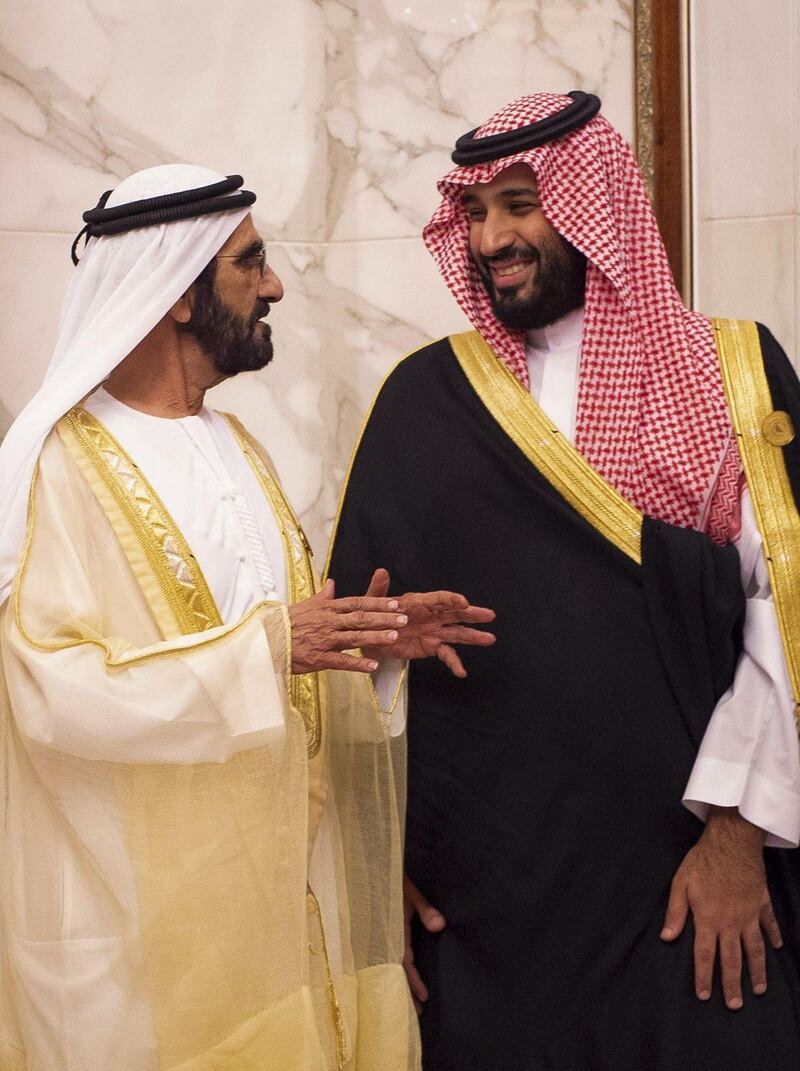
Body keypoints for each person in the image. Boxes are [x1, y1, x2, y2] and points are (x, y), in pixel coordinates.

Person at [327, 92, 800, 1069]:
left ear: (593, 204)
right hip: (486, 895)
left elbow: (779, 619)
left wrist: (738, 836)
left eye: (518, 204)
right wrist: (376, 869)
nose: (492, 236)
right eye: (474, 211)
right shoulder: (425, 400)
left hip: (686, 879)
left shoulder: (730, 372)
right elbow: (354, 646)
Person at [0, 164, 496, 1071]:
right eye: (250, 263)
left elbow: (287, 674)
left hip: (274, 915)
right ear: (179, 292)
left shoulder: (241, 451)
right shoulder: (55, 469)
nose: (273, 286)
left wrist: (369, 641)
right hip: (135, 946)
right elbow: (49, 695)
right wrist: (270, 645)